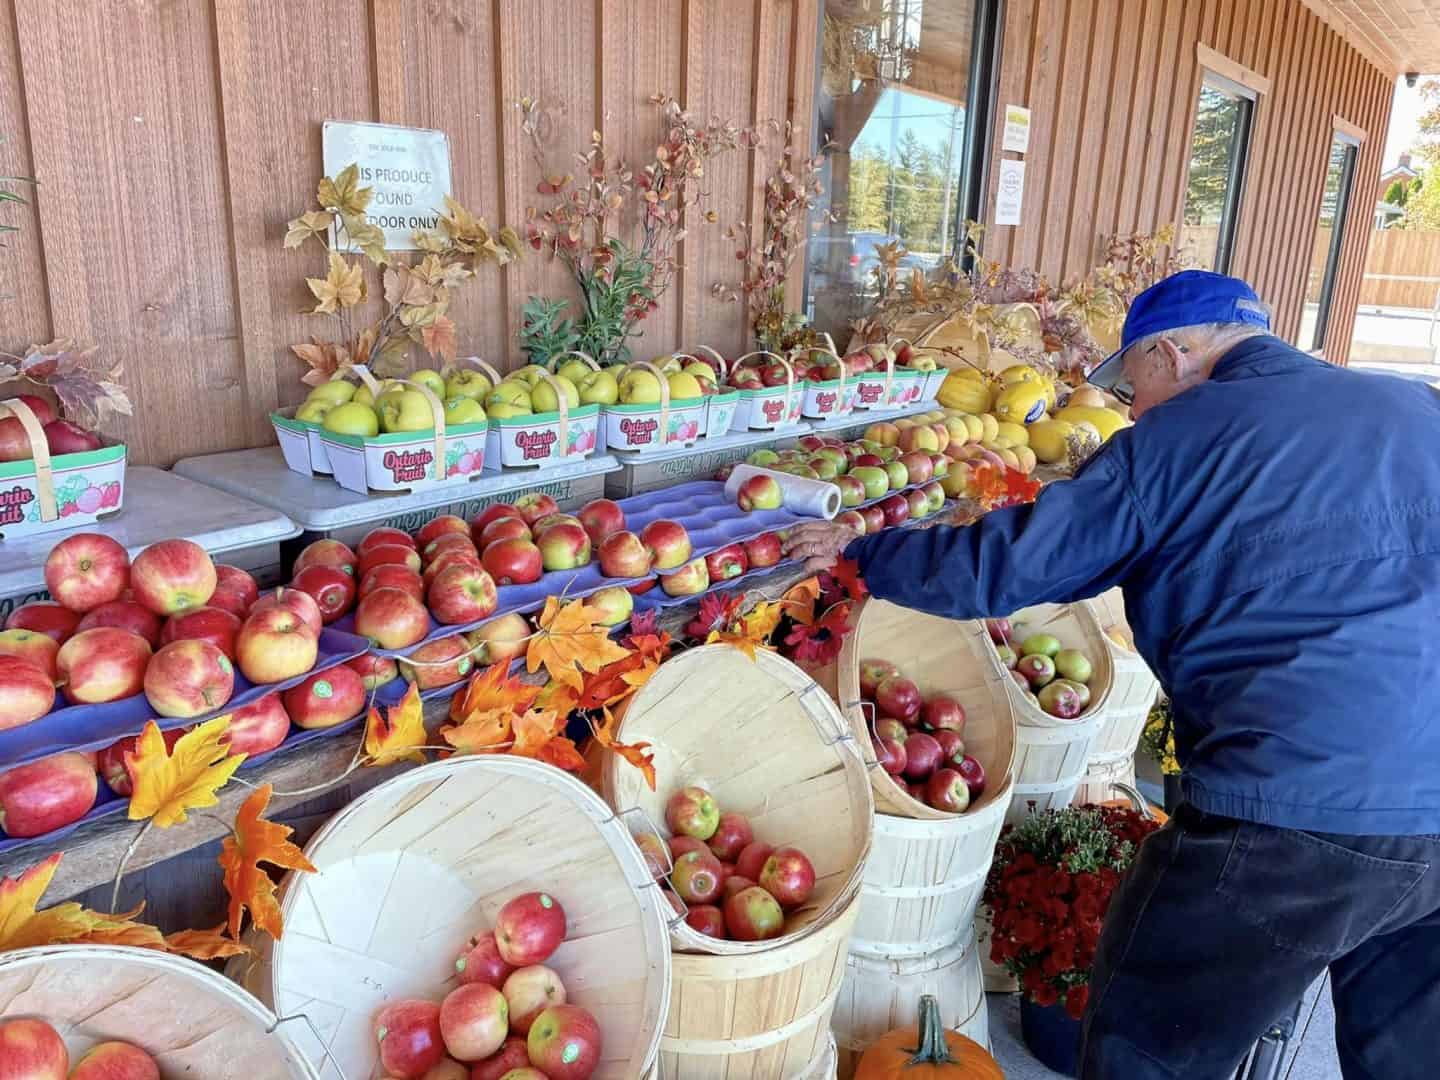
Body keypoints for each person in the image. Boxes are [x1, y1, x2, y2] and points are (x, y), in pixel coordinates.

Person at [783, 270, 1440, 1078]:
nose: (1130, 409)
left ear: (1171, 354)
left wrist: (864, 555)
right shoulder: (1416, 409)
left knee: (1148, 1047)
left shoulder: (1181, 438)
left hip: (1291, 805)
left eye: (1132, 385)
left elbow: (1014, 563)